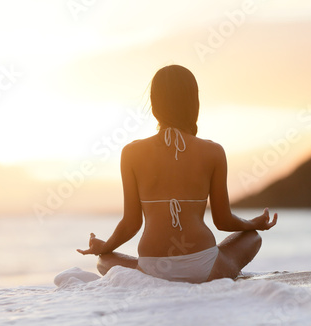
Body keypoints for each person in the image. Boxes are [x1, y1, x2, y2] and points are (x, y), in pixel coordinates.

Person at [77, 65, 277, 283]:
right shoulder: (214, 151)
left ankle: (143, 273)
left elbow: (131, 224)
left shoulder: (131, 153)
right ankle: (216, 272)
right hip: (204, 267)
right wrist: (252, 224)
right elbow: (223, 221)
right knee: (252, 238)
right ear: (193, 102)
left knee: (103, 260)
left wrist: (104, 247)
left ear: (154, 103)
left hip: (151, 268)